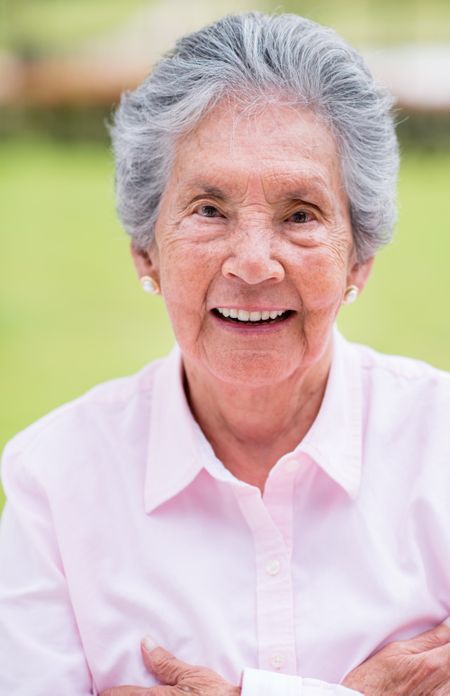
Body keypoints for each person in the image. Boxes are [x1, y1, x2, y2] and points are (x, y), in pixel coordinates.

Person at [1, 11, 450, 696]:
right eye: (208, 210)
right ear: (144, 249)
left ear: (359, 258)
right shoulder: (54, 485)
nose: (252, 262)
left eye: (300, 214)